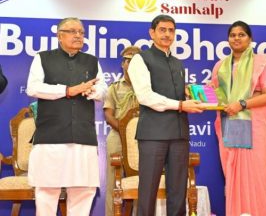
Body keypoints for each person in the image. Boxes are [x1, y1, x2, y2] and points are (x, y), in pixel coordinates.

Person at [26, 17, 107, 216]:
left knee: (83, 190)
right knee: (47, 190)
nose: (78, 36)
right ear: (59, 35)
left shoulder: (91, 61)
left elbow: (103, 89)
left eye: (81, 32)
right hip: (51, 135)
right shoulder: (43, 58)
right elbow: (33, 88)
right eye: (73, 31)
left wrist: (93, 92)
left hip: (82, 135)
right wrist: (68, 90)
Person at [127, 14, 204, 216]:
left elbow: (173, 95)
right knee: (148, 191)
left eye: (171, 30)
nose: (167, 34)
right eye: (162, 29)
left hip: (179, 134)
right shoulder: (140, 59)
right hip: (153, 135)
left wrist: (188, 94)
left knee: (178, 191)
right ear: (152, 33)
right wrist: (180, 104)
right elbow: (145, 96)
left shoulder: (178, 63)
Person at [210, 21, 266, 216]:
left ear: (250, 39)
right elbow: (215, 94)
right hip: (231, 126)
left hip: (257, 126)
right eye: (233, 35)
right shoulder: (221, 66)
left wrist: (242, 104)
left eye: (241, 34)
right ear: (228, 39)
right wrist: (195, 93)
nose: (236, 38)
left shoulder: (261, 63)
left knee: (259, 177)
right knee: (235, 178)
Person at [103, 46, 141, 216]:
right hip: (118, 136)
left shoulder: (148, 87)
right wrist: (125, 132)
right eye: (128, 61)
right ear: (123, 64)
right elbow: (108, 115)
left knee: (143, 182)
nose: (131, 64)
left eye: (135, 62)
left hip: (143, 139)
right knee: (113, 182)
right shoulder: (114, 88)